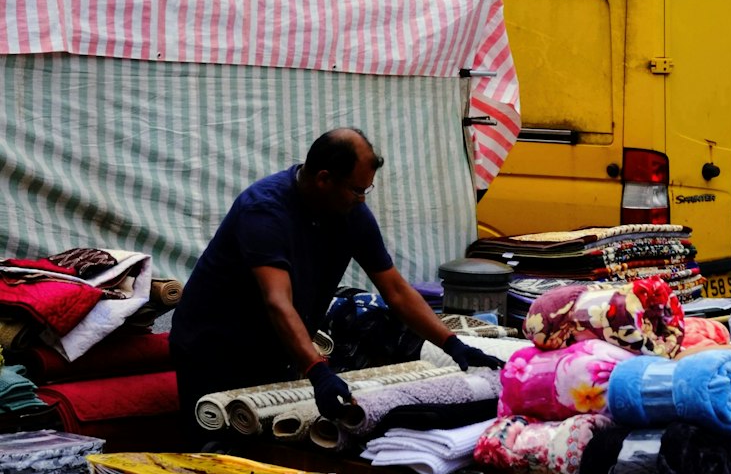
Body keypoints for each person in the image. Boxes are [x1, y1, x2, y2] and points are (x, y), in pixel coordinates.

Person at [169, 126, 502, 443]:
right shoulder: (264, 211)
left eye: (366, 190)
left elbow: (396, 291)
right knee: (215, 449)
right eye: (357, 190)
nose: (362, 199)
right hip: (213, 347)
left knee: (266, 453)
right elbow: (277, 301)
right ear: (324, 179)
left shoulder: (351, 213)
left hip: (273, 347)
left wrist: (453, 344)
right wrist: (317, 369)